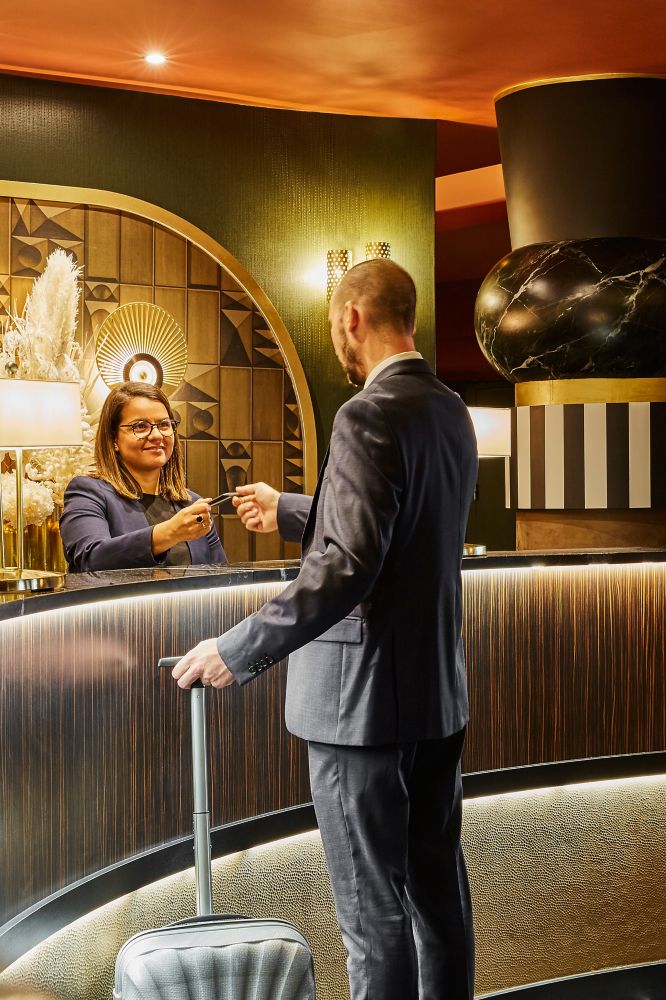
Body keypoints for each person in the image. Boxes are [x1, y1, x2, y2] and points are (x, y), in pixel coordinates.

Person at [170, 259, 478, 1000]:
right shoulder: (448, 409)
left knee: (373, 916)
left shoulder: (364, 414)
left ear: (351, 319)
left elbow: (346, 565)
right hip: (435, 696)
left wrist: (237, 648)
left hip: (359, 707)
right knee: (438, 895)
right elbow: (395, 525)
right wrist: (289, 508)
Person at [60, 382, 226, 572]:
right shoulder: (88, 493)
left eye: (164, 425)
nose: (157, 435)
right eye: (140, 426)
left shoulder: (192, 503)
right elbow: (89, 559)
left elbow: (222, 575)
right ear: (113, 439)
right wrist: (169, 533)